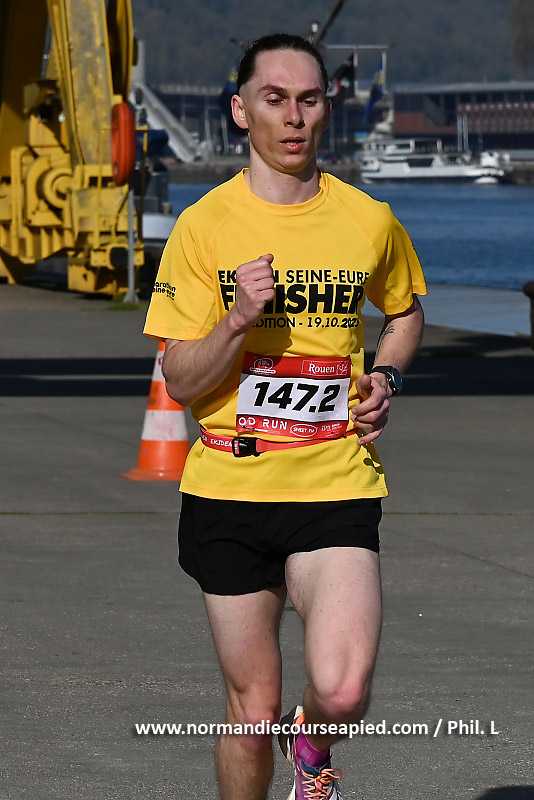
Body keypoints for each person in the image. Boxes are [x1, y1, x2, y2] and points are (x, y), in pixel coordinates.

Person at [143, 32, 426, 800]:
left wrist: (386, 376)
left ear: (326, 108)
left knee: (341, 689)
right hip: (230, 490)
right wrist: (236, 320)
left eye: (309, 99)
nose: (294, 117)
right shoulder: (203, 226)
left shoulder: (367, 220)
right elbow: (180, 378)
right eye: (275, 99)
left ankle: (313, 743)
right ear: (242, 111)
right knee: (252, 708)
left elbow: (405, 311)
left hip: (335, 481)